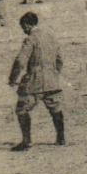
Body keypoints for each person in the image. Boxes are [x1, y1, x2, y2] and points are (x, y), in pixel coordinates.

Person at [8, 12, 64, 151]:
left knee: (22, 109)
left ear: (27, 24)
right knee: (55, 108)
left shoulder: (30, 39)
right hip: (52, 81)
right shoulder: (50, 36)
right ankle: (61, 137)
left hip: (34, 82)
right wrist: (54, 73)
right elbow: (59, 59)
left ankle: (27, 141)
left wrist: (13, 78)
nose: (23, 30)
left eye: (23, 27)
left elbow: (21, 61)